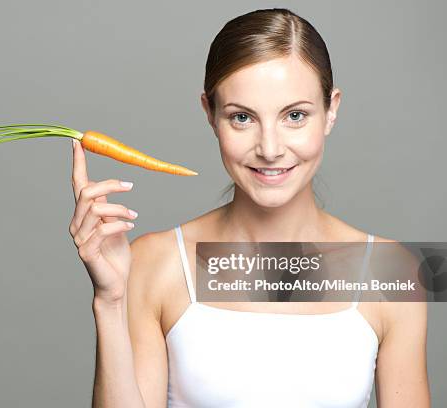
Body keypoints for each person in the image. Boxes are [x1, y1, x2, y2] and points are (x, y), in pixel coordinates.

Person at [69, 7, 430, 408]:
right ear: (210, 113)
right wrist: (110, 301)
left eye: (295, 115)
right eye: (242, 117)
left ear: (331, 110)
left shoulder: (391, 272)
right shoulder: (155, 263)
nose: (270, 149)